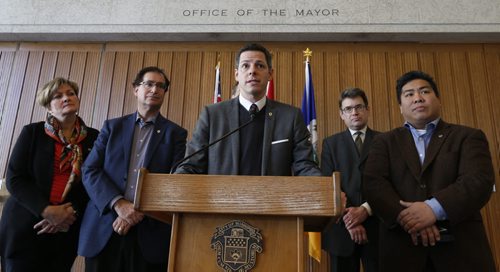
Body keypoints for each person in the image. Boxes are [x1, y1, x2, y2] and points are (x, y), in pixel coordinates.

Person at [363, 70, 496, 272]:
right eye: (409, 94)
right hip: (402, 251)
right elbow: (374, 185)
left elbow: (478, 181)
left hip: (461, 252)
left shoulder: (468, 136)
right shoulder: (384, 142)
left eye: (424, 91)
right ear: (400, 107)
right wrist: (409, 218)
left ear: (438, 99)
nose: (417, 98)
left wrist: (433, 209)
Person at [78, 66, 187, 272]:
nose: (155, 90)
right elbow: (90, 170)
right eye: (149, 84)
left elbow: (174, 180)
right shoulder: (112, 127)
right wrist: (119, 205)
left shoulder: (176, 134)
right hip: (105, 227)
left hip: (149, 231)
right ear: (136, 89)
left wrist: (137, 211)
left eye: (160, 86)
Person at [174, 43, 320, 177]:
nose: (252, 71)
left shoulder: (290, 117)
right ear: (237, 74)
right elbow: (191, 165)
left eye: (260, 66)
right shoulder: (212, 115)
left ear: (270, 74)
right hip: (223, 203)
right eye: (245, 66)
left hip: (272, 203)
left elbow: (305, 166)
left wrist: (326, 189)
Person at [0, 78, 99, 272]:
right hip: (25, 225)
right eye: (58, 96)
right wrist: (46, 211)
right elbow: (15, 178)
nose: (66, 98)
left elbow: (93, 182)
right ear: (48, 106)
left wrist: (70, 212)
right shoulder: (33, 132)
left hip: (65, 229)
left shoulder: (94, 137)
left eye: (71, 93)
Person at [321, 87, 379, 272]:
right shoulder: (330, 144)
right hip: (341, 232)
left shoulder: (385, 141)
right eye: (348, 109)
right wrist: (351, 220)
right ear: (341, 114)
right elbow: (329, 185)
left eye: (359, 107)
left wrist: (365, 210)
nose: (354, 112)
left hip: (378, 229)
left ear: (367, 110)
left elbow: (390, 184)